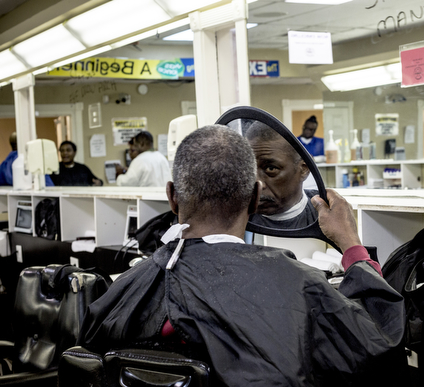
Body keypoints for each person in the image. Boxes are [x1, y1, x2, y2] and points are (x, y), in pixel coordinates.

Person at [78, 125, 407, 386]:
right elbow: (380, 352)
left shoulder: (126, 287)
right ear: (254, 197)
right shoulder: (299, 287)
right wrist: (351, 246)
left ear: (173, 198)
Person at [246, 121, 318, 229]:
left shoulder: (324, 214)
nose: (257, 184)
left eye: (271, 169)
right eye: (249, 169)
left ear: (303, 170)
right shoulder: (232, 217)